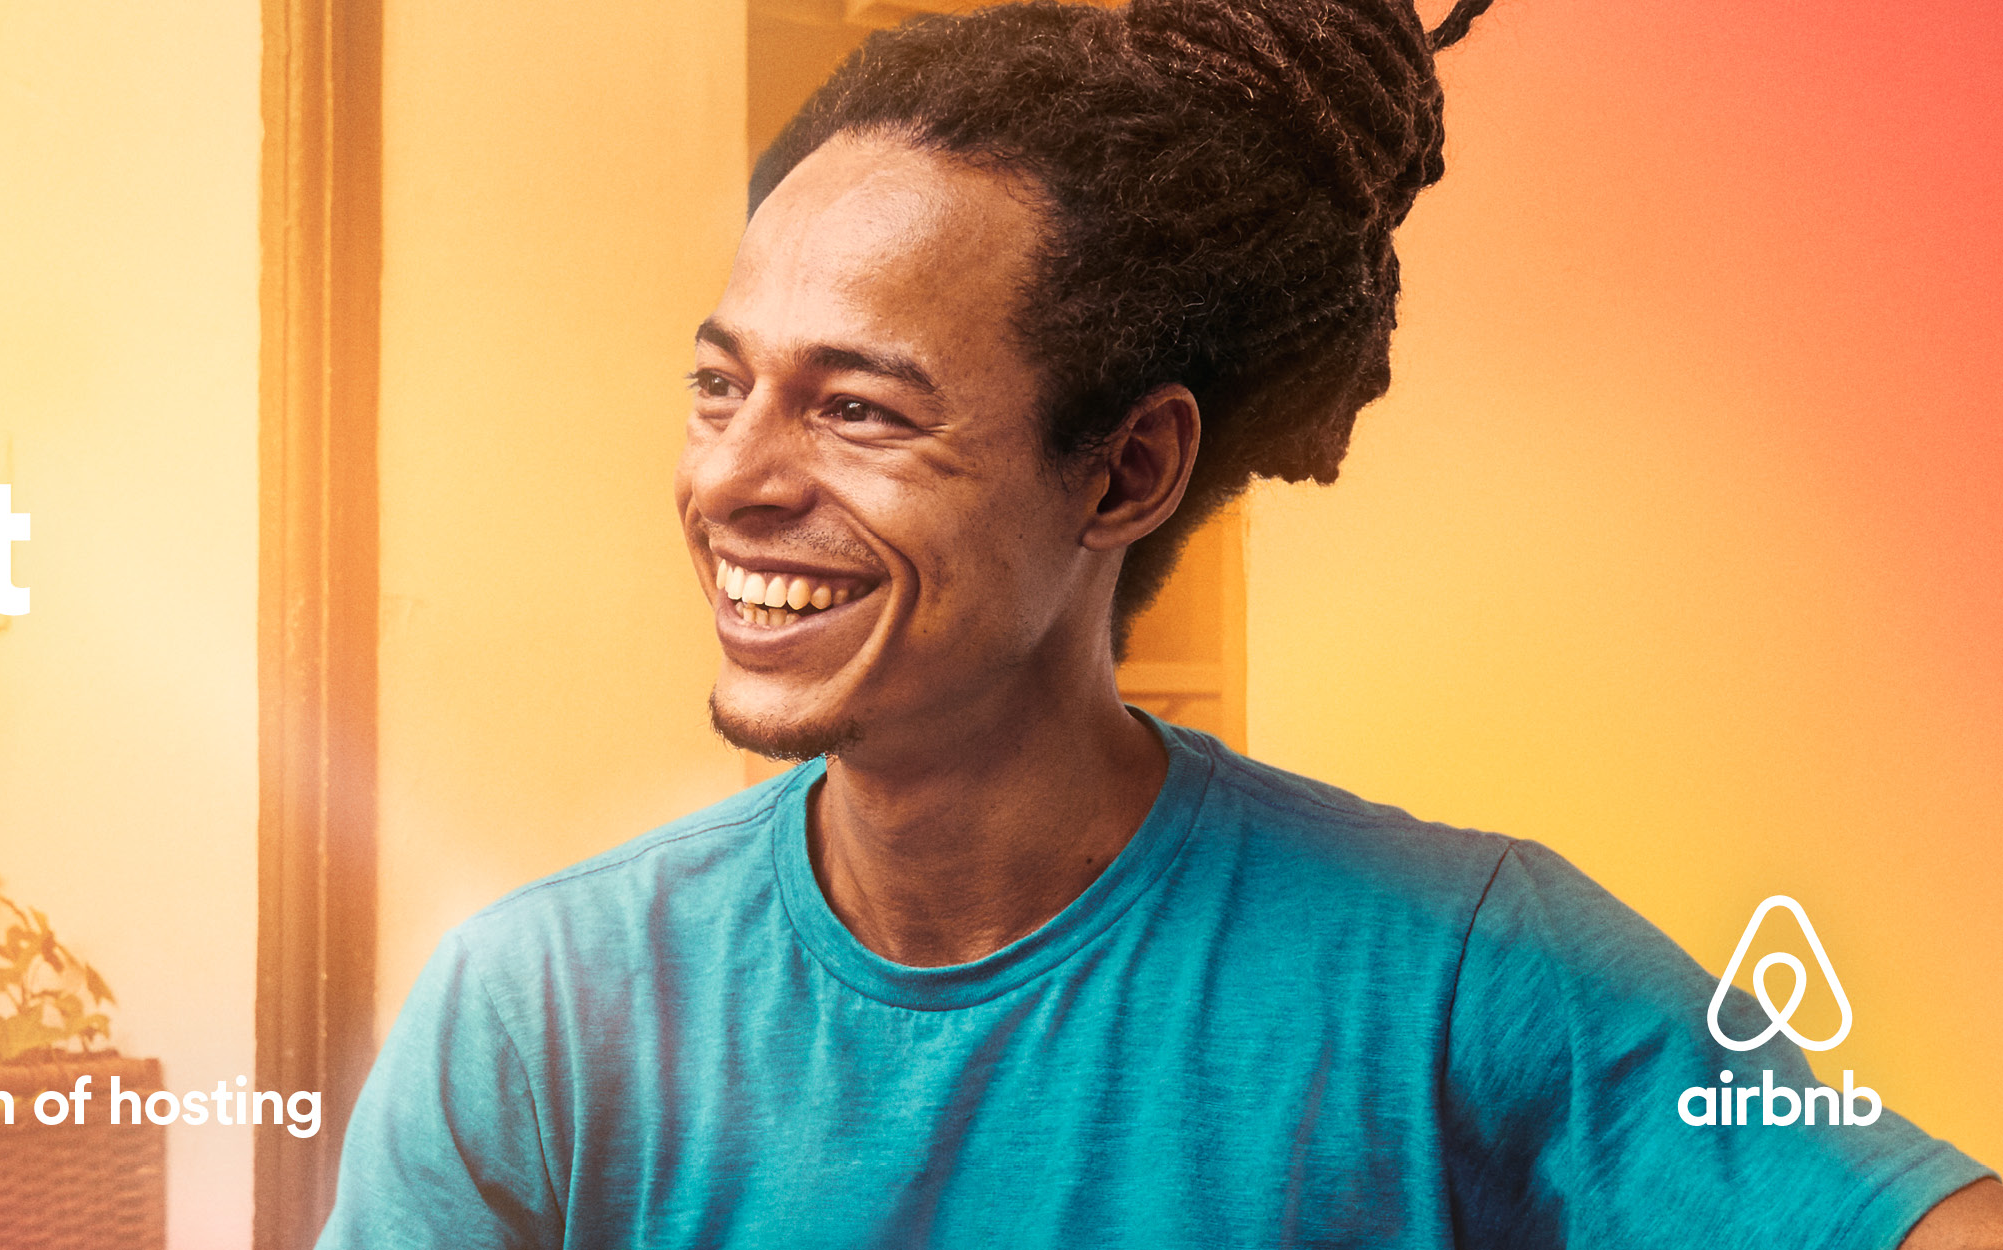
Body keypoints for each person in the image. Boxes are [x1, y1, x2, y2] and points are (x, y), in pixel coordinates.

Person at [320, 1, 2002, 1245]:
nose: (735, 480)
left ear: (1126, 469)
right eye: (720, 387)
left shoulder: (1462, 974)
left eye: (858, 410)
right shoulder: (537, 1018)